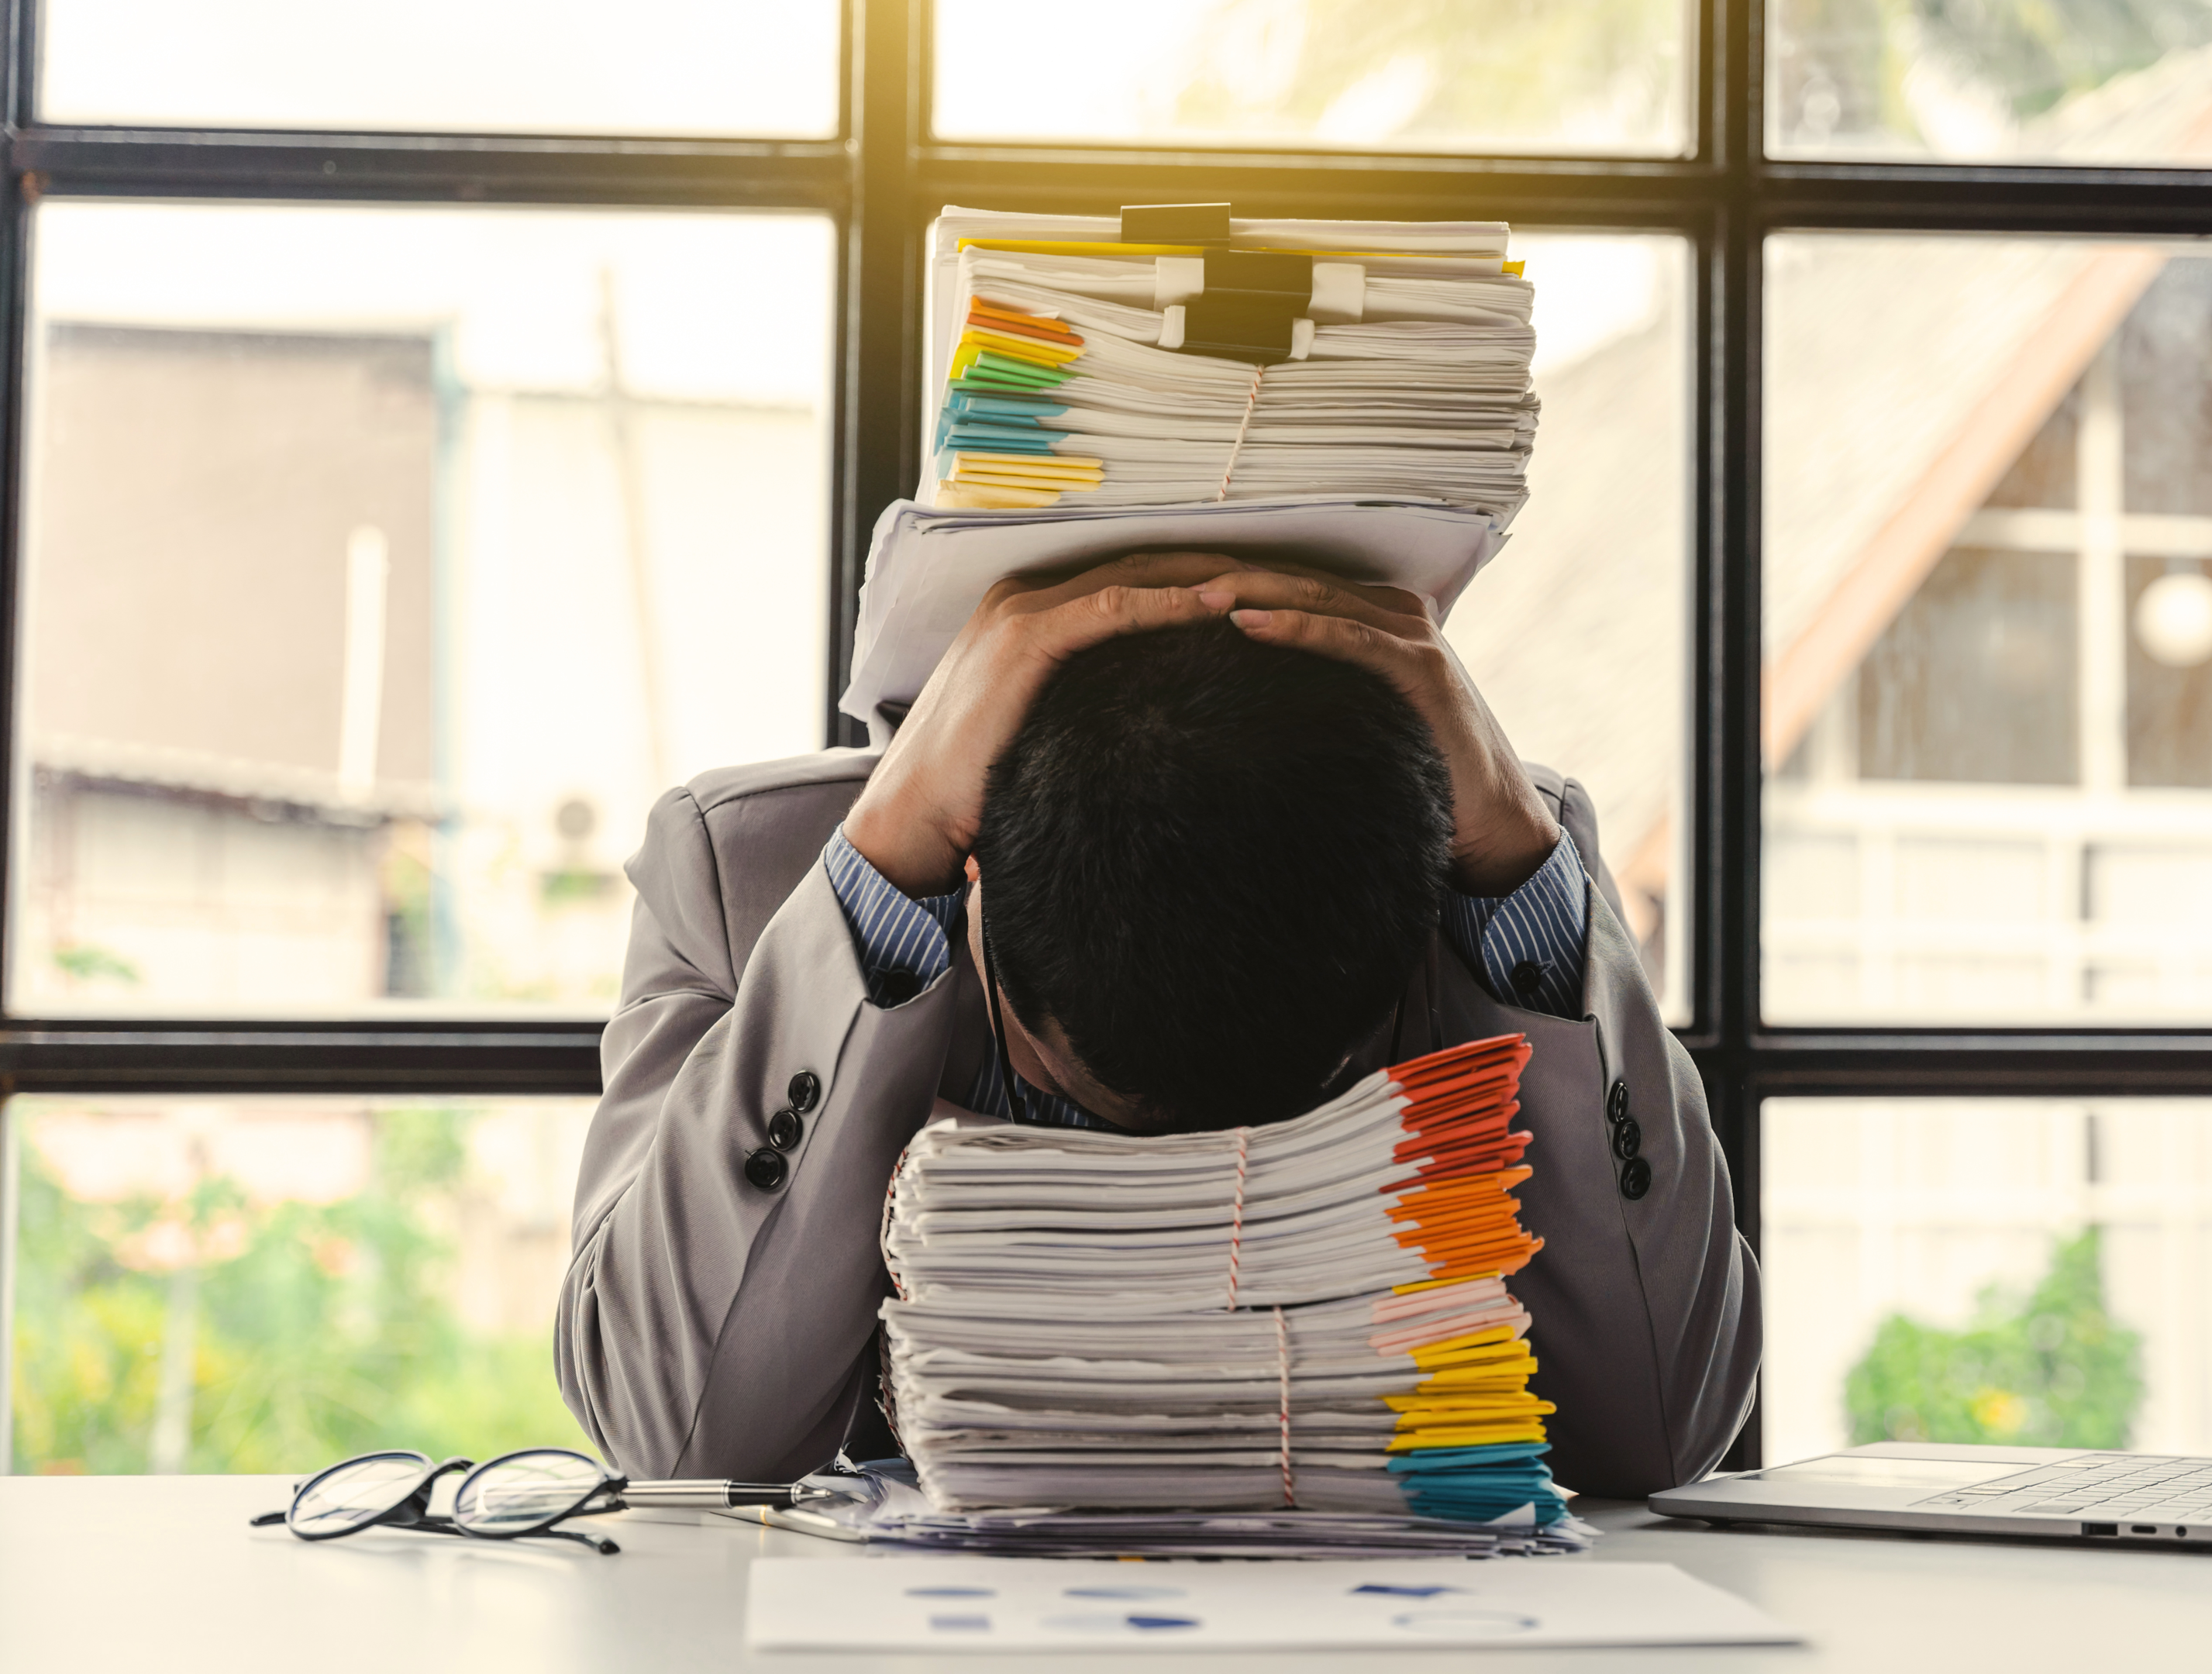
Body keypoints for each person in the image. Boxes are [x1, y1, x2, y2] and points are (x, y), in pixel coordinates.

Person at [555, 550, 1759, 1497]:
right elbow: (677, 1435)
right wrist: (883, 869)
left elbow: (1661, 1425)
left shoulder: (1495, 857)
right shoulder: (746, 875)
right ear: (972, 889)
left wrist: (1523, 899)